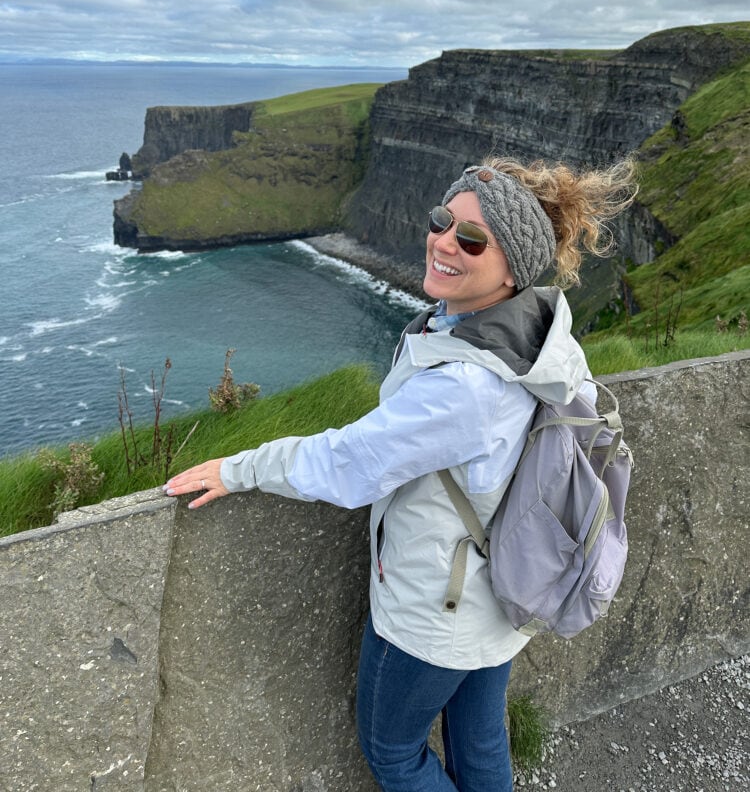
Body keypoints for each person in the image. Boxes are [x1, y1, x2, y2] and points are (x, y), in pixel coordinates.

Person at [163, 155, 638, 792]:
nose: (443, 240)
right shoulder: (544, 337)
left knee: (393, 754)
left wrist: (240, 469)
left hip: (435, 613)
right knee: (480, 740)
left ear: (512, 269)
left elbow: (348, 463)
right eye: (443, 220)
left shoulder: (467, 386)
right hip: (504, 590)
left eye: (471, 238)